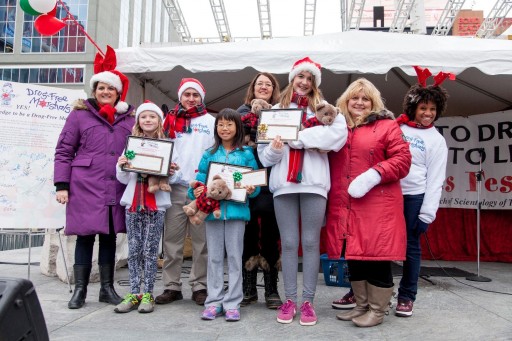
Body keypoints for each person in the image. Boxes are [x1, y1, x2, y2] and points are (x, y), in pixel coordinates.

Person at [258, 57, 347, 326]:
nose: (304, 83)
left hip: (313, 183)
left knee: (310, 242)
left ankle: (307, 301)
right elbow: (264, 157)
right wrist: (275, 148)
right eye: (300, 77)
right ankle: (289, 300)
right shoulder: (275, 111)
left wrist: (298, 138)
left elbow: (337, 137)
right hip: (284, 184)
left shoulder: (325, 110)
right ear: (292, 79)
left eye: (310, 79)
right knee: (288, 243)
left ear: (315, 83)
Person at [324, 78, 411, 328]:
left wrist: (374, 174)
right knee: (354, 256)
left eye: (365, 99)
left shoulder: (387, 126)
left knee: (376, 257)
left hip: (377, 205)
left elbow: (403, 159)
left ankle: (377, 310)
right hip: (345, 205)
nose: (359, 103)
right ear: (346, 101)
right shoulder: (339, 127)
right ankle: (361, 306)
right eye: (355, 98)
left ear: (373, 103)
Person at [54, 68, 135, 309]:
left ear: (118, 93)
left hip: (115, 184)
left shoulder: (129, 120)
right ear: (94, 90)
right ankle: (80, 290)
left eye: (111, 88)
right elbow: (64, 151)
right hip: (85, 185)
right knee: (85, 236)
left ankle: (107, 289)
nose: (106, 91)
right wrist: (62, 185)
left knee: (110, 237)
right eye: (101, 88)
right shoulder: (79, 116)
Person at [114, 101, 181, 314]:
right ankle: (134, 292)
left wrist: (171, 171)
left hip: (156, 204)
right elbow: (123, 178)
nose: (148, 120)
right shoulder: (131, 145)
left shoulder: (168, 144)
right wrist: (121, 165)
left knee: (151, 251)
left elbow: (176, 175)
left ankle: (149, 293)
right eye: (144, 117)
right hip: (133, 203)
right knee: (134, 249)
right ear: (138, 121)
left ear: (159, 121)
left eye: (152, 117)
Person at [193, 108, 260, 322]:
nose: (225, 128)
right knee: (213, 257)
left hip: (237, 213)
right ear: (216, 128)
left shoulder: (247, 154)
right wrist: (195, 190)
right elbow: (199, 182)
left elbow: (255, 186)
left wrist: (251, 189)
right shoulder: (209, 154)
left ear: (238, 127)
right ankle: (213, 302)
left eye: (229, 124)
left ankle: (232, 302)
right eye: (221, 124)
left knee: (233, 257)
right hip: (213, 214)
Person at [394, 69, 449, 317]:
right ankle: (379, 291)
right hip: (389, 194)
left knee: (410, 248)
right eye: (423, 108)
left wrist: (427, 214)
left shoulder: (437, 140)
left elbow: (436, 179)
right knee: (382, 245)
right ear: (413, 107)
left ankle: (406, 296)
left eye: (433, 110)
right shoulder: (397, 127)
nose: (428, 114)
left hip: (414, 198)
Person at [156, 78, 216, 306]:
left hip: (201, 190)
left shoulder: (211, 121)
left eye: (195, 95)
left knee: (202, 243)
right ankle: (171, 286)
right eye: (187, 94)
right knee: (172, 241)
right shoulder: (168, 120)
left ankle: (199, 286)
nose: (191, 99)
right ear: (180, 97)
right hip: (175, 187)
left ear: (202, 97)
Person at [236, 72, 283, 309]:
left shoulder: (281, 113)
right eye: (259, 83)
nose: (263, 87)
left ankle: (272, 289)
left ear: (274, 89)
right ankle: (249, 288)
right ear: (252, 88)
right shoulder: (239, 114)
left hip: (272, 180)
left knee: (271, 235)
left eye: (268, 84)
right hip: (246, 181)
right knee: (248, 233)